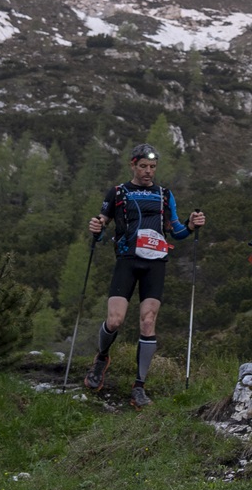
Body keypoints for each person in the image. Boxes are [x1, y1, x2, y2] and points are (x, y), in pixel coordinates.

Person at [84, 142, 205, 408]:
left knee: (148, 322)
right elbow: (101, 228)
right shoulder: (118, 192)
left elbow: (177, 231)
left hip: (156, 262)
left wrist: (190, 225)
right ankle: (101, 357)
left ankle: (139, 386)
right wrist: (96, 228)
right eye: (143, 166)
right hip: (127, 260)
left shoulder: (164, 194)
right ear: (133, 165)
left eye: (152, 167)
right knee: (115, 320)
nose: (148, 171)